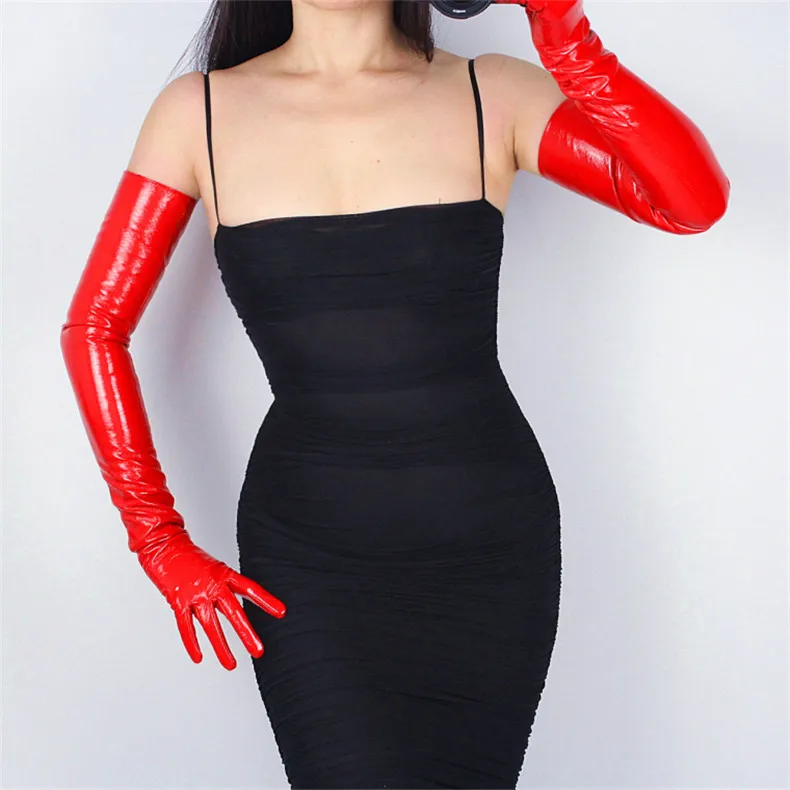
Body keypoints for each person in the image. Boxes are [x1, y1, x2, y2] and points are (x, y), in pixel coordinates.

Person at [59, 0, 730, 787]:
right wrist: (157, 539)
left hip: (488, 545)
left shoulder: (491, 92)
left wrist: (562, 28)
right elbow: (95, 327)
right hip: (310, 554)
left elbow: (690, 201)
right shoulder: (197, 113)